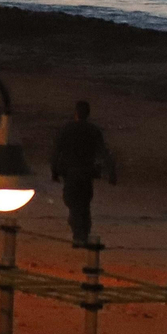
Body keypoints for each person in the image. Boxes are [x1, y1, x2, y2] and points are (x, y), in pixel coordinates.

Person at [51, 101, 115, 246]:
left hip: (71, 173)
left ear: (76, 113)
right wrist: (111, 172)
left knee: (73, 204)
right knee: (84, 205)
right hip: (86, 173)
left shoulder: (67, 129)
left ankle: (79, 236)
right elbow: (104, 152)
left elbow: (56, 152)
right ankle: (83, 235)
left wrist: (54, 171)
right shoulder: (93, 130)